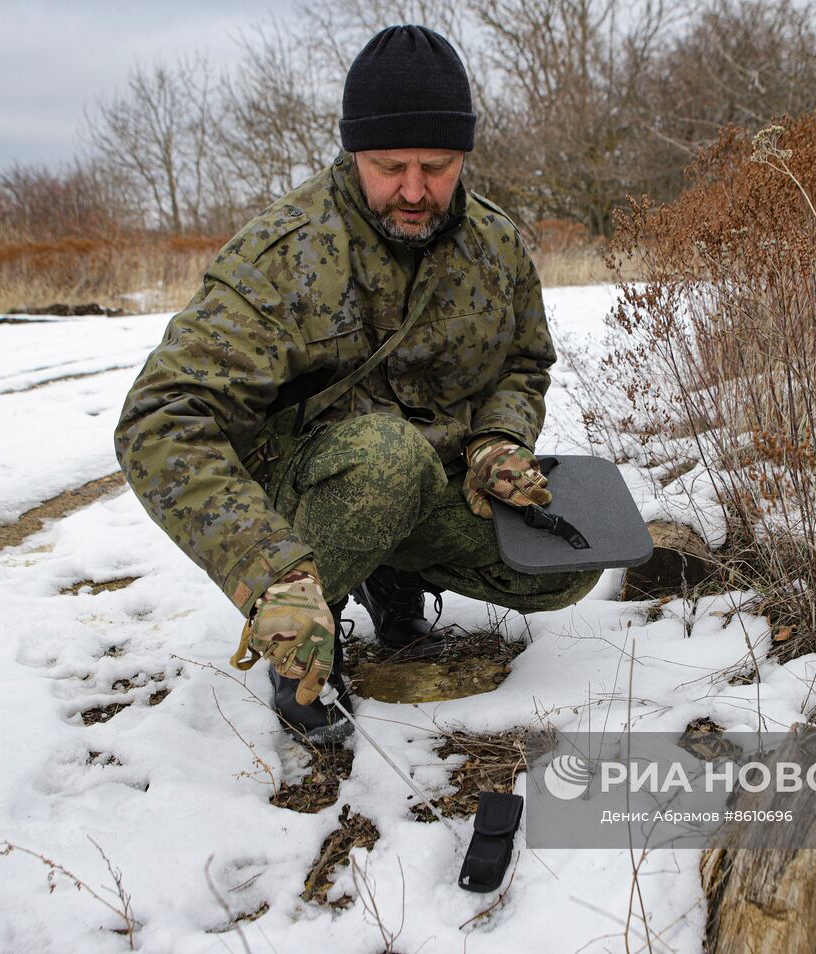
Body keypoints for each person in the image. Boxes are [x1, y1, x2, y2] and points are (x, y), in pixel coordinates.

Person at [114, 25, 600, 739]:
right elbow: (158, 420)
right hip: (304, 491)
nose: (413, 190)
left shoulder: (497, 248)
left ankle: (392, 573)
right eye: (388, 165)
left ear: (464, 154)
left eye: (437, 166)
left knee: (567, 566)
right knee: (386, 460)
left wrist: (499, 437)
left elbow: (523, 363)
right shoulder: (284, 254)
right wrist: (270, 571)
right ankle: (308, 632)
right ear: (352, 152)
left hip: (426, 481)